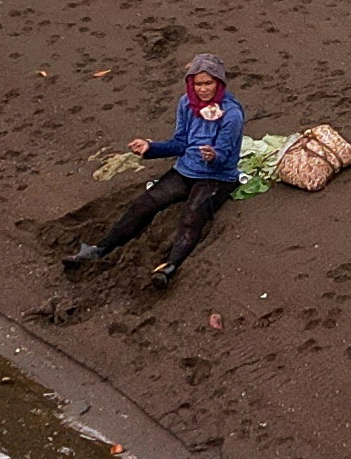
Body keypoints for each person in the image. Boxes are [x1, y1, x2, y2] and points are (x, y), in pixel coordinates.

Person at [68, 52, 248, 289]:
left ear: (219, 83)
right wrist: (150, 148)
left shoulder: (232, 114)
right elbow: (180, 143)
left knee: (191, 218)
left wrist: (213, 156)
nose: (203, 89)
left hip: (217, 177)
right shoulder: (186, 104)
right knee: (144, 205)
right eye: (198, 84)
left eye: (209, 83)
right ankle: (100, 249)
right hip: (186, 169)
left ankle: (169, 266)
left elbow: (226, 155)